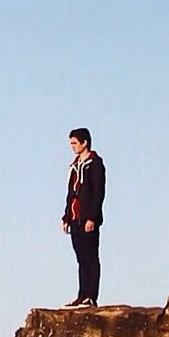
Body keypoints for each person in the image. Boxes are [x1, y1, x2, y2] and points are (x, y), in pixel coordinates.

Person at [62, 128, 106, 307]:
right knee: (81, 258)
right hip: (75, 218)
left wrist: (92, 218)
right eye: (71, 143)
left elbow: (98, 193)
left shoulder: (95, 164)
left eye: (74, 143)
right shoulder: (74, 167)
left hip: (88, 219)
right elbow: (70, 194)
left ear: (84, 142)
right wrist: (66, 217)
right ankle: (82, 294)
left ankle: (91, 295)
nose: (72, 147)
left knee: (91, 257)